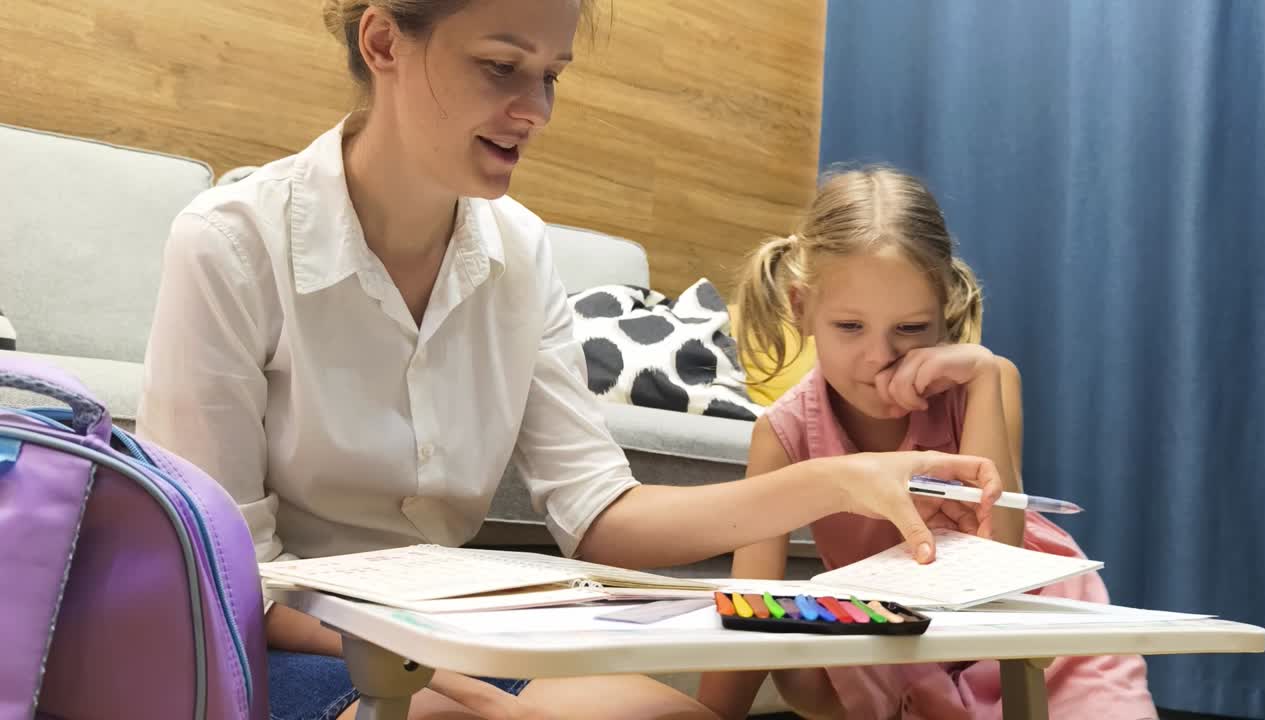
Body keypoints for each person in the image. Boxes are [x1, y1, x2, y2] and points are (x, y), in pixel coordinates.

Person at [136, 3, 1002, 718]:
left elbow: (600, 515)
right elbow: (225, 580)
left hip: (444, 640)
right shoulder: (232, 245)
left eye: (550, 76)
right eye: (501, 68)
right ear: (384, 40)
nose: (537, 111)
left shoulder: (521, 254)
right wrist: (454, 674)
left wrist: (842, 482)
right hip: (268, 652)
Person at [697, 167, 1157, 720]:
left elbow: (998, 561)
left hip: (1027, 626)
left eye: (911, 328)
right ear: (802, 309)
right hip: (906, 640)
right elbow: (751, 609)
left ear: (944, 312)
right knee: (799, 662)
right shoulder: (782, 432)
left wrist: (984, 376)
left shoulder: (987, 383)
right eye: (849, 327)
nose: (879, 356)